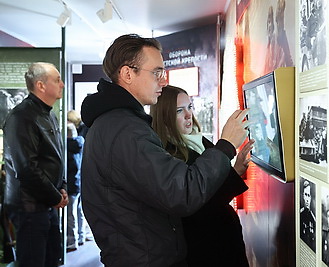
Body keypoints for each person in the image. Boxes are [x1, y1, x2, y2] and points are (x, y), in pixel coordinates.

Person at [80, 34, 249, 267]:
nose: (162, 81)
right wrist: (226, 145)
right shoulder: (125, 129)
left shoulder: (118, 123)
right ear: (128, 74)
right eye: (157, 72)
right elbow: (181, 192)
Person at [150, 85, 253, 266]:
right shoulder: (167, 154)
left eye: (190, 107)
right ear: (164, 116)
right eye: (179, 111)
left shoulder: (199, 140)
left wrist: (235, 170)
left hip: (223, 240)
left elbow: (211, 190)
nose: (189, 115)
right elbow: (197, 202)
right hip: (205, 247)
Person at [2, 62, 68, 267]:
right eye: (57, 80)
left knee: (51, 258)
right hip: (29, 207)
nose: (63, 84)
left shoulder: (50, 114)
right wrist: (56, 195)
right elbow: (26, 168)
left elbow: (56, 156)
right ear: (40, 85)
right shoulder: (21, 117)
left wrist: (62, 187)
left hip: (47, 203)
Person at [65, 123, 85, 252]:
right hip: (79, 183)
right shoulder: (80, 144)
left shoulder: (67, 149)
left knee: (70, 215)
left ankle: (72, 241)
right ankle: (81, 236)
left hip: (71, 184)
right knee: (79, 212)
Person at [300, 180, 316, 251]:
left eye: (308, 195)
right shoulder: (300, 215)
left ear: (311, 198)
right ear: (303, 196)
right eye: (305, 195)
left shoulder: (313, 219)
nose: (307, 199)